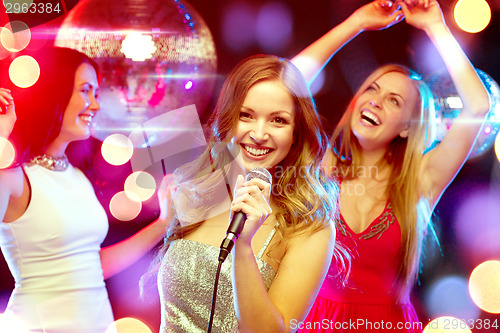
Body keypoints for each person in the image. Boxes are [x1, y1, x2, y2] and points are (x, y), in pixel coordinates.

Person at [291, 0, 490, 332]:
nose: (375, 101)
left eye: (393, 101)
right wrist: (356, 23)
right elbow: (285, 82)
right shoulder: (321, 167)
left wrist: (436, 27)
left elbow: (479, 106)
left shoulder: (421, 181)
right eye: (372, 89)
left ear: (408, 127)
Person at [149, 54, 343, 333]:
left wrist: (243, 246)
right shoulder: (192, 197)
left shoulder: (309, 227)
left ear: (296, 133)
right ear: (228, 118)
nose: (259, 133)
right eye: (246, 115)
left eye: (278, 120)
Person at [0, 47, 168, 332]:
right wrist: (2, 136)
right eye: (85, 91)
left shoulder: (77, 176)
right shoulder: (13, 179)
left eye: (96, 94)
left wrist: (164, 222)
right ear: (55, 92)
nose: (95, 105)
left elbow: (93, 265)